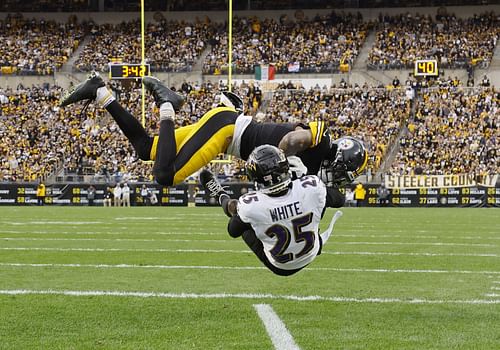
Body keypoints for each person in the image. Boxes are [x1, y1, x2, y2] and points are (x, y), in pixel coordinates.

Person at [59, 73, 368, 194]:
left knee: (147, 149)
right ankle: (166, 102)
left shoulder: (315, 172)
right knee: (165, 175)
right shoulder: (322, 139)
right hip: (228, 131)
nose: (342, 178)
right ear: (341, 157)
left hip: (226, 130)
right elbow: (291, 141)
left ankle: (100, 92)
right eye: (345, 172)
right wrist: (280, 165)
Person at [199, 145, 344, 276]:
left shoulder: (251, 206)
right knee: (316, 202)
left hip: (281, 267)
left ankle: (221, 196)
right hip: (312, 250)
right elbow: (339, 199)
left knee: (240, 217)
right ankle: (226, 199)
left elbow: (233, 231)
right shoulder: (312, 187)